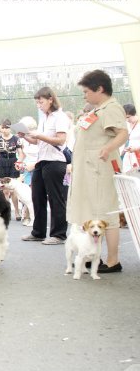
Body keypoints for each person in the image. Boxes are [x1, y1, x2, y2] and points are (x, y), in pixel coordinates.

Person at [67, 70, 128, 273]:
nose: (84, 95)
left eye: (86, 91)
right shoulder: (98, 109)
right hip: (89, 170)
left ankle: (113, 260)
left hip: (100, 169)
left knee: (105, 214)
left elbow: (122, 133)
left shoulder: (111, 108)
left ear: (99, 89)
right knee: (93, 212)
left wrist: (108, 149)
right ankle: (95, 257)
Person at [18, 87, 70, 245]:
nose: (39, 105)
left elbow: (61, 140)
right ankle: (38, 232)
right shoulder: (44, 118)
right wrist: (26, 136)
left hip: (56, 161)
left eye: (41, 102)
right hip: (41, 161)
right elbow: (39, 141)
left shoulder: (60, 117)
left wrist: (40, 135)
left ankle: (59, 234)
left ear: (50, 100)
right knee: (37, 196)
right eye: (37, 103)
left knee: (56, 198)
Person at [0, 119, 25, 220]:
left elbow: (21, 153)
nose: (4, 130)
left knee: (13, 190)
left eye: (6, 127)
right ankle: (7, 212)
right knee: (5, 190)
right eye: (3, 127)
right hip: (2, 162)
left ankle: (17, 212)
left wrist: (19, 162)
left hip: (13, 162)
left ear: (10, 128)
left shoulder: (16, 139)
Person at [121, 104, 139, 172]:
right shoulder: (126, 124)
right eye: (125, 117)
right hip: (129, 155)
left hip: (138, 154)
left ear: (134, 114)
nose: (127, 120)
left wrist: (136, 148)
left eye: (128, 117)